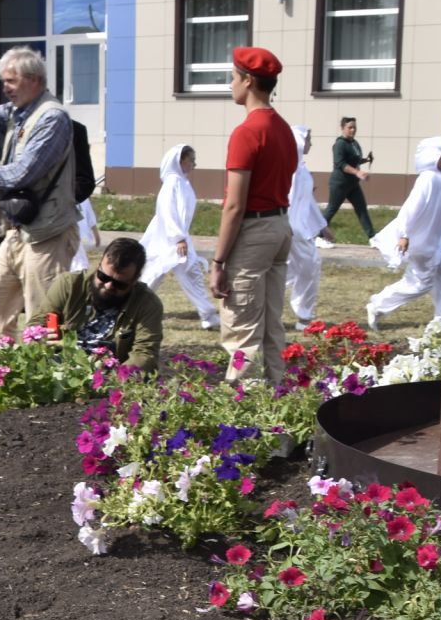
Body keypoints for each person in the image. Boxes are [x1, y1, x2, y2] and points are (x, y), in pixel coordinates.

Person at [0, 44, 81, 337]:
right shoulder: (17, 113)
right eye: (3, 81)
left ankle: (49, 380)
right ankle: (5, 373)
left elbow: (24, 172)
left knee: (44, 319)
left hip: (48, 234)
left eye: (11, 81)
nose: (6, 88)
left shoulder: (52, 117)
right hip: (17, 230)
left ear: (34, 79)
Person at [207, 46, 297, 382]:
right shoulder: (283, 128)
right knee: (272, 326)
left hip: (255, 231)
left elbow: (234, 205)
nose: (230, 85)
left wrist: (218, 263)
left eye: (232, 78)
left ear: (247, 80)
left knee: (242, 330)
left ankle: (248, 419)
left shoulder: (247, 132)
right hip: (279, 225)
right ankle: (278, 404)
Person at [35, 236, 164, 373]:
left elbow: (144, 354)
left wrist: (114, 380)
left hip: (111, 376)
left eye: (119, 284)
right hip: (62, 368)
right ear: (99, 264)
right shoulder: (69, 285)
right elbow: (37, 323)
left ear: (134, 280)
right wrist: (43, 337)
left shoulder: (148, 304)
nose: (108, 286)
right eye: (103, 277)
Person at [368, 136, 441, 329]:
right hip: (422, 241)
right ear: (435, 155)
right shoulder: (428, 179)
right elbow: (412, 208)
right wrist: (405, 234)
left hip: (440, 242)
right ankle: (378, 304)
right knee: (420, 282)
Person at [139, 144, 220, 330]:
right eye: (191, 160)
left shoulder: (182, 182)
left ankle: (207, 314)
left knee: (190, 274)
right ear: (180, 160)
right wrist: (178, 238)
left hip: (179, 238)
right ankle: (131, 305)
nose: (194, 164)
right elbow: (167, 212)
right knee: (156, 274)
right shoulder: (172, 183)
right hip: (171, 239)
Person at [285, 125, 326, 329]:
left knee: (292, 269)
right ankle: (304, 316)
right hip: (293, 229)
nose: (311, 143)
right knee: (309, 266)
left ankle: (302, 314)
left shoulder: (301, 168)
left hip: (298, 228)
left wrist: (322, 226)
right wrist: (286, 225)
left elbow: (308, 200)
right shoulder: (290, 170)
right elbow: (287, 198)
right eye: (308, 139)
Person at [323, 116, 376, 244]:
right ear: (342, 128)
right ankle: (317, 235)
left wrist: (365, 160)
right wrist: (358, 172)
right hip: (340, 184)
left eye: (354, 128)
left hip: (352, 184)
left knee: (361, 208)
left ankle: (373, 237)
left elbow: (354, 160)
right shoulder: (340, 144)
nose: (353, 130)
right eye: (350, 127)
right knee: (332, 209)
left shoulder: (354, 143)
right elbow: (340, 164)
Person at [69, 196, 102, 272]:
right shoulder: (65, 196)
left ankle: (81, 271)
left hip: (82, 235)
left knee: (79, 259)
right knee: (77, 260)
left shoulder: (84, 199)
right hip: (71, 234)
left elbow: (90, 217)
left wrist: (96, 234)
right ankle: (80, 270)